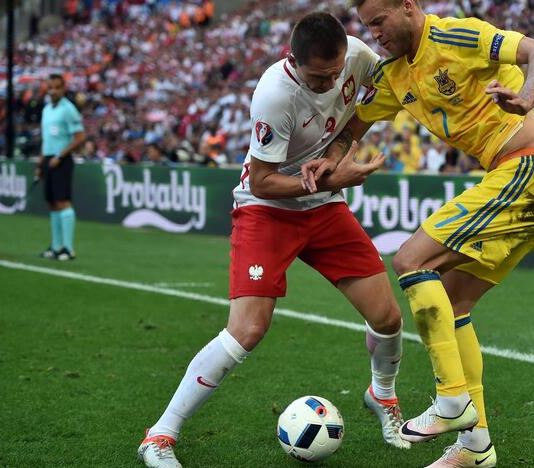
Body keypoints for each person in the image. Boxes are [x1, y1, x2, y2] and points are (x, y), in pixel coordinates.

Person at [302, 2, 534, 466]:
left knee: (411, 260)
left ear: (407, 7)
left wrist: (526, 98)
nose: (376, 35)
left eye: (380, 22)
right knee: (453, 301)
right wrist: (335, 156)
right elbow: (355, 126)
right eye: (368, 27)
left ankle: (451, 401)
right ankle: (475, 448)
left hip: (529, 170)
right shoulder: (393, 74)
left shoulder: (456, 36)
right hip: (522, 180)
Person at [137, 13, 410, 468]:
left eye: (336, 73)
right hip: (267, 210)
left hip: (322, 207)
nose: (329, 84)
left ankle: (382, 398)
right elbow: (262, 182)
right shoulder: (273, 95)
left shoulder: (359, 57)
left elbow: (356, 120)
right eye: (318, 77)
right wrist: (332, 179)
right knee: (247, 330)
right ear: (293, 60)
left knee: (387, 316)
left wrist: (335, 159)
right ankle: (160, 435)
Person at [36, 74, 85, 261]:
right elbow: (46, 139)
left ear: (63, 89)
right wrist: (40, 163)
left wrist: (60, 155)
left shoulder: (69, 109)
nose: (53, 91)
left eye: (57, 87)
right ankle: (56, 247)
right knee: (52, 203)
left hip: (61, 160)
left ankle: (68, 248)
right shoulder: (47, 109)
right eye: (51, 87)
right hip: (48, 158)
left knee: (63, 201)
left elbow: (80, 137)